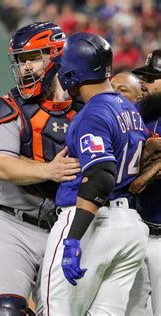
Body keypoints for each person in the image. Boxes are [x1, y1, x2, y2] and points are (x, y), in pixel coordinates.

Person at [40, 32, 149, 315]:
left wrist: (74, 236)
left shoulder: (93, 114)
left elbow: (101, 175)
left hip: (92, 222)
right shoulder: (130, 110)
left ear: (71, 75)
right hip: (130, 226)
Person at [0, 21, 81, 315]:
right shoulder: (7, 107)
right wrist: (50, 170)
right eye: (21, 61)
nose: (25, 68)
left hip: (69, 226)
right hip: (14, 225)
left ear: (56, 54)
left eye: (33, 58)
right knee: (6, 311)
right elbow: (3, 166)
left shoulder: (88, 105)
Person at [126, 48, 161, 316]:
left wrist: (147, 172)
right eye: (144, 77)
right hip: (135, 231)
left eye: (152, 77)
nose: (144, 83)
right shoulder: (136, 112)